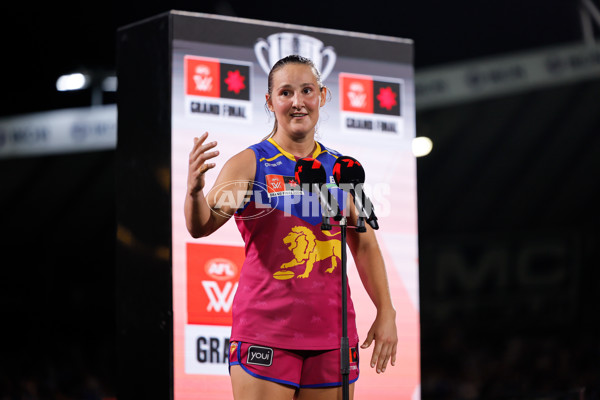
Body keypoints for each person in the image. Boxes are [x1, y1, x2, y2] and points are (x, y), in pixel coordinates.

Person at [185, 55, 397, 400]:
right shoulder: (248, 163)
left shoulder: (343, 169)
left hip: (334, 338)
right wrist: (194, 191)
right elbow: (201, 225)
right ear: (270, 102)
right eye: (286, 93)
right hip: (265, 334)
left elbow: (367, 244)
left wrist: (386, 311)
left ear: (322, 97)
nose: (297, 102)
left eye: (306, 91)